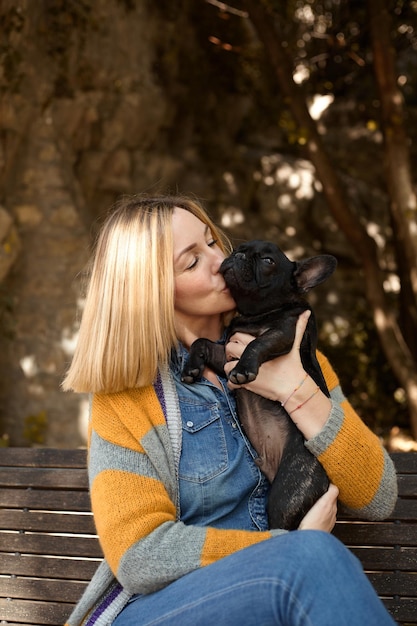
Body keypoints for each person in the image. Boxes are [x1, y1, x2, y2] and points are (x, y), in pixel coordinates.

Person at [62, 194, 398, 626]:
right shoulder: (126, 397)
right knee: (310, 560)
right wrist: (284, 547)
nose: (220, 261)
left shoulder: (289, 350)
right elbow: (140, 556)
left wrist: (296, 391)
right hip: (160, 611)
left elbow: (379, 495)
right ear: (150, 290)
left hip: (271, 598)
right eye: (191, 262)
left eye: (212, 242)